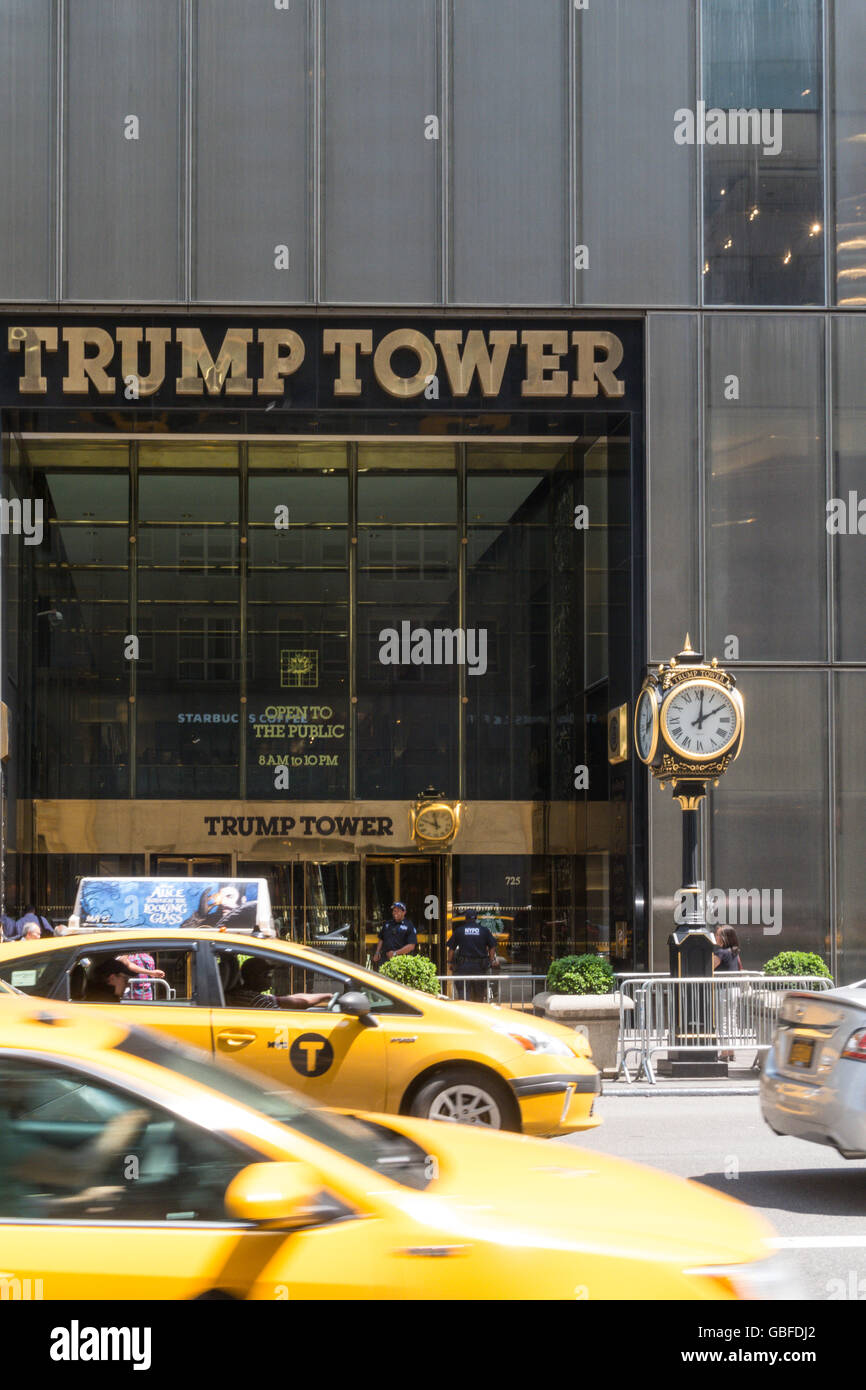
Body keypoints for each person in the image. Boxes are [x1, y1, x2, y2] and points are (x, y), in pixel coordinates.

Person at [224, 956, 332, 1010]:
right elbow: (282, 1019)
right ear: (252, 978)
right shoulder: (256, 1001)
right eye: (267, 975)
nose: (271, 978)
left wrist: (327, 996)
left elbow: (294, 1000)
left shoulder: (246, 995)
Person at [447, 914, 499, 1002]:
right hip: (480, 967)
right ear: (476, 919)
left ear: (465, 919)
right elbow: (492, 946)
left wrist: (450, 963)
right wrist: (490, 960)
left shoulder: (460, 930)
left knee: (463, 996)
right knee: (479, 996)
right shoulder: (484, 930)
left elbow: (451, 949)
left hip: (463, 967)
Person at [712, 926, 742, 1061]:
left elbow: (708, 966)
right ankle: (731, 1051)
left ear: (723, 938)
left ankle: (724, 1053)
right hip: (734, 989)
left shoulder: (721, 953)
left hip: (722, 990)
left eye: (717, 935)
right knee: (731, 1020)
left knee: (722, 1020)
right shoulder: (734, 952)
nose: (715, 937)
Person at [372, 902, 417, 968]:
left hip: (401, 961)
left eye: (398, 911)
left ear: (404, 912)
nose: (395, 913)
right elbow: (381, 939)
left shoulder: (409, 925)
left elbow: (411, 946)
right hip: (385, 959)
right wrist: (377, 952)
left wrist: (395, 953)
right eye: (394, 911)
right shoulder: (387, 924)